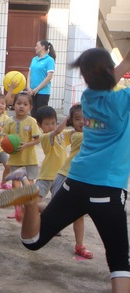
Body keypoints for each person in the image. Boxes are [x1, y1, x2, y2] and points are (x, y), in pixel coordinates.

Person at [0, 48, 130, 293]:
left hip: (74, 183)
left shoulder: (88, 98)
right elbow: (110, 80)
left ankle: (32, 200)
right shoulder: (124, 99)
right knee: (120, 265)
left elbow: (104, 80)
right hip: (108, 191)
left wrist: (125, 61)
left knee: (32, 241)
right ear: (109, 71)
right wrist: (125, 62)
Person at [49, 103, 93, 259]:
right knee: (55, 211)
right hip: (65, 176)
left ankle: (79, 246)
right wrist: (66, 119)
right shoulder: (77, 135)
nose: (82, 121)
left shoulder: (90, 133)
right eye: (77, 119)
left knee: (78, 214)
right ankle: (31, 209)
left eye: (85, 118)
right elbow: (56, 132)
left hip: (79, 179)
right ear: (72, 122)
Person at [0, 91, 40, 221]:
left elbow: (38, 139)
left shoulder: (32, 121)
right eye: (18, 103)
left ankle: (27, 209)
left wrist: (26, 145)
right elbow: (4, 139)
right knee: (16, 184)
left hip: (29, 159)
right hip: (15, 159)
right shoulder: (9, 121)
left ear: (30, 107)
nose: (21, 106)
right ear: (13, 105)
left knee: (29, 186)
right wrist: (5, 146)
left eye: (25, 104)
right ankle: (17, 209)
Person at [26, 40, 56, 117]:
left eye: (37, 46)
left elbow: (49, 76)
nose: (35, 47)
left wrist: (37, 88)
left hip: (43, 92)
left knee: (41, 115)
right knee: (33, 114)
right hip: (32, 91)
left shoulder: (49, 60)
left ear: (43, 47)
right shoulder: (34, 59)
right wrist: (28, 87)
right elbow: (30, 73)